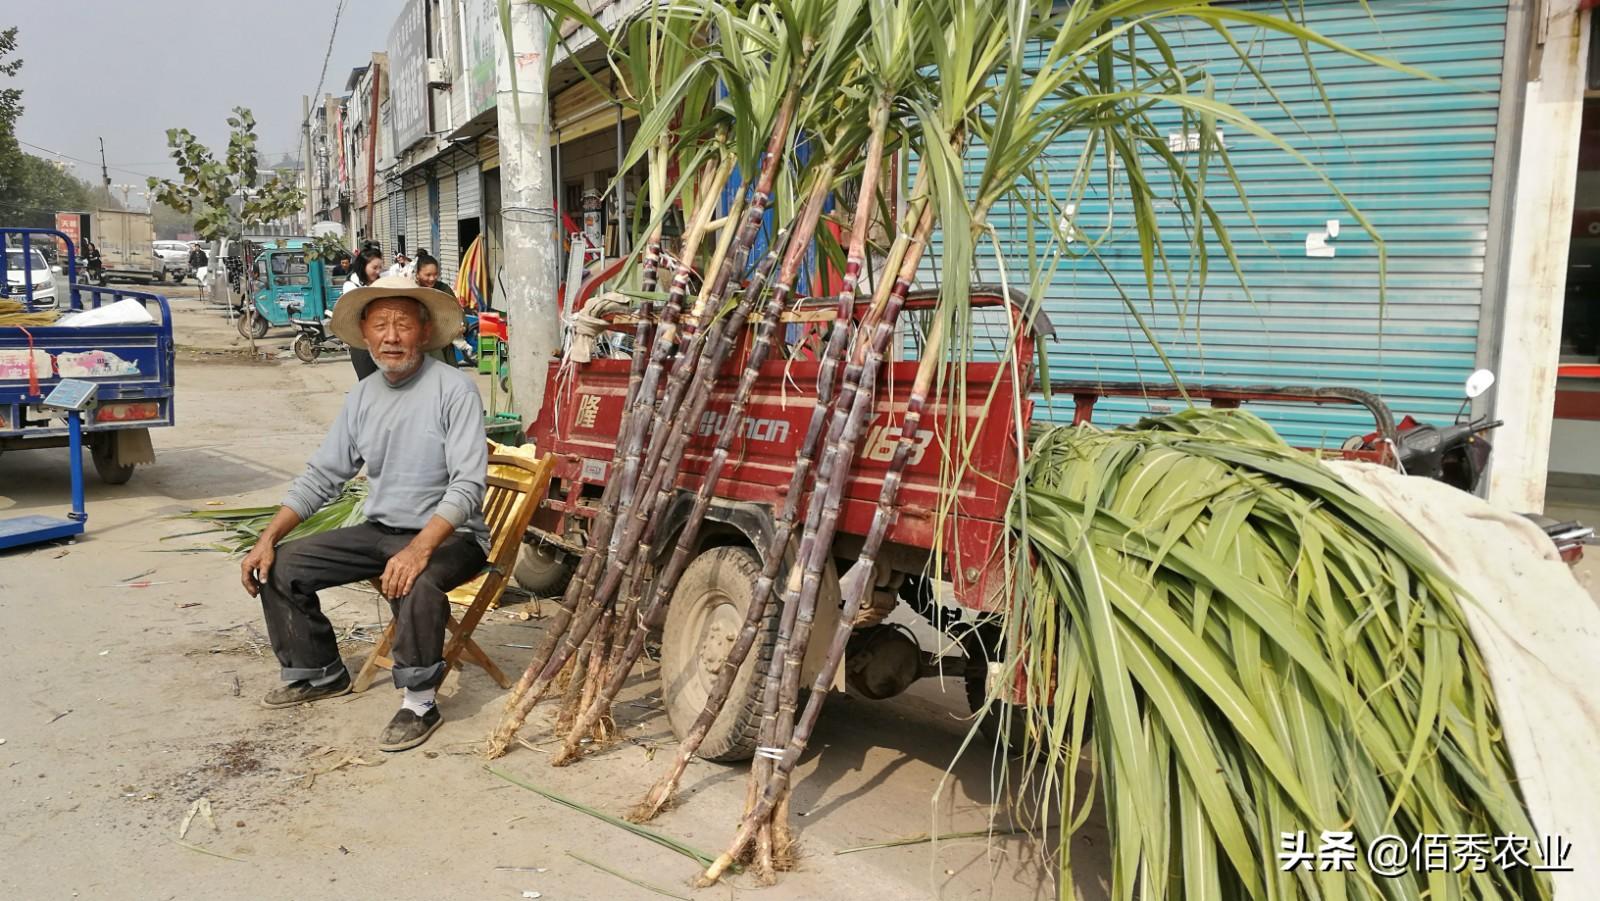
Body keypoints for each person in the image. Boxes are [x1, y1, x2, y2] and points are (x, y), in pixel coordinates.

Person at [239, 277, 487, 752]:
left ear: (425, 331)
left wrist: (419, 549)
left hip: (452, 538)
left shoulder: (455, 390)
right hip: (382, 530)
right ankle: (320, 671)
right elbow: (322, 476)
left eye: (402, 325)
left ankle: (419, 701)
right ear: (365, 334)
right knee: (282, 566)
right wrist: (267, 537)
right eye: (380, 326)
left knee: (418, 577)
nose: (391, 337)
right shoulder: (363, 396)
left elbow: (468, 485)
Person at [340, 247, 386, 380]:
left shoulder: (383, 281)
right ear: (364, 265)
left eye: (380, 267)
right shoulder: (351, 285)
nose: (378, 271)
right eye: (374, 267)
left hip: (383, 339)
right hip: (361, 342)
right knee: (368, 382)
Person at [415, 251, 461, 366]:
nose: (432, 279)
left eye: (435, 274)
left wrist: (461, 325)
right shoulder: (412, 291)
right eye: (428, 275)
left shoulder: (444, 289)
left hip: (444, 343)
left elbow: (457, 311)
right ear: (417, 274)